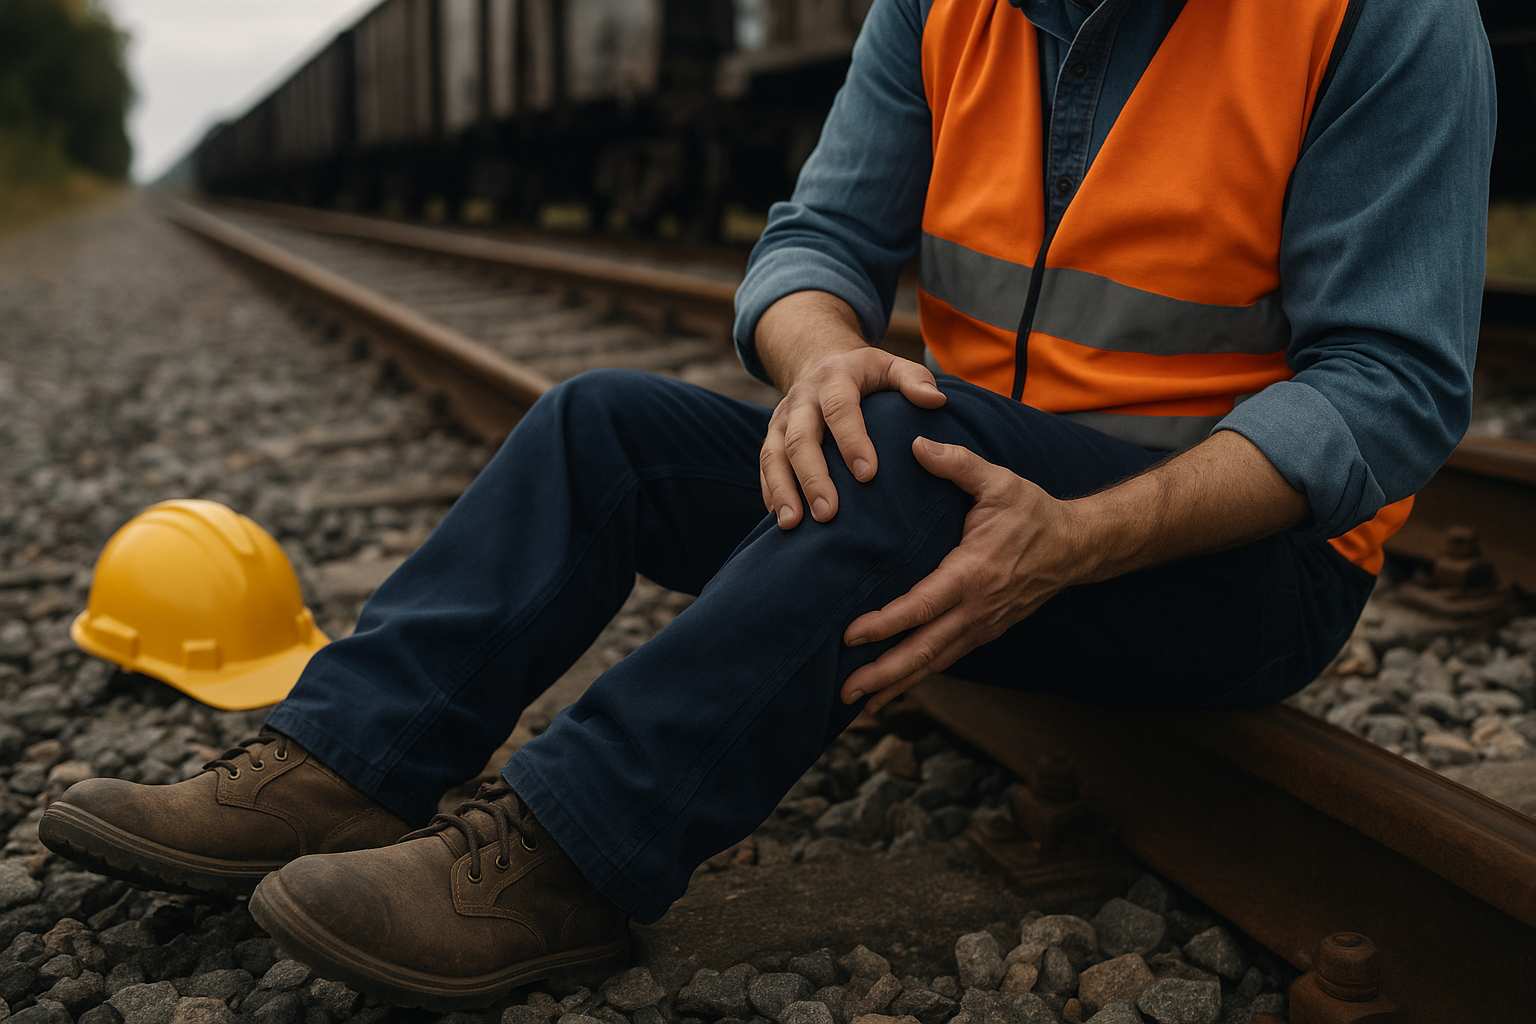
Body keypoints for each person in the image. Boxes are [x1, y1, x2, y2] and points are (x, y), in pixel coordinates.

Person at [41, 0, 1494, 1010]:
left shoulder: (1378, 17)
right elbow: (819, 236)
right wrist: (814, 364)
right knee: (605, 423)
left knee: (908, 471)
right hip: (971, 489)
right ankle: (347, 755)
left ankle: (568, 856)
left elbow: (1389, 386)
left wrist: (1080, 532)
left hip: (1235, 562)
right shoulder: (943, 9)